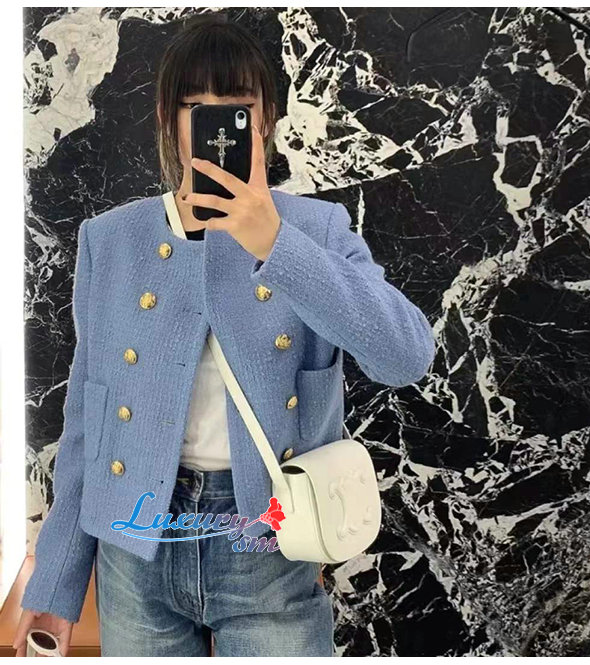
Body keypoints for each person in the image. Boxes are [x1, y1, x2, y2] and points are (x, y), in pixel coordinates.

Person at [14, 14, 436, 657]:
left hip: (267, 539)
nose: (215, 124)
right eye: (194, 105)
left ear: (265, 119)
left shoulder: (316, 230)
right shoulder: (113, 239)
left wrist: (274, 241)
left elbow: (405, 356)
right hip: (136, 538)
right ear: (168, 118)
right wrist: (57, 582)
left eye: (236, 105)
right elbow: (87, 422)